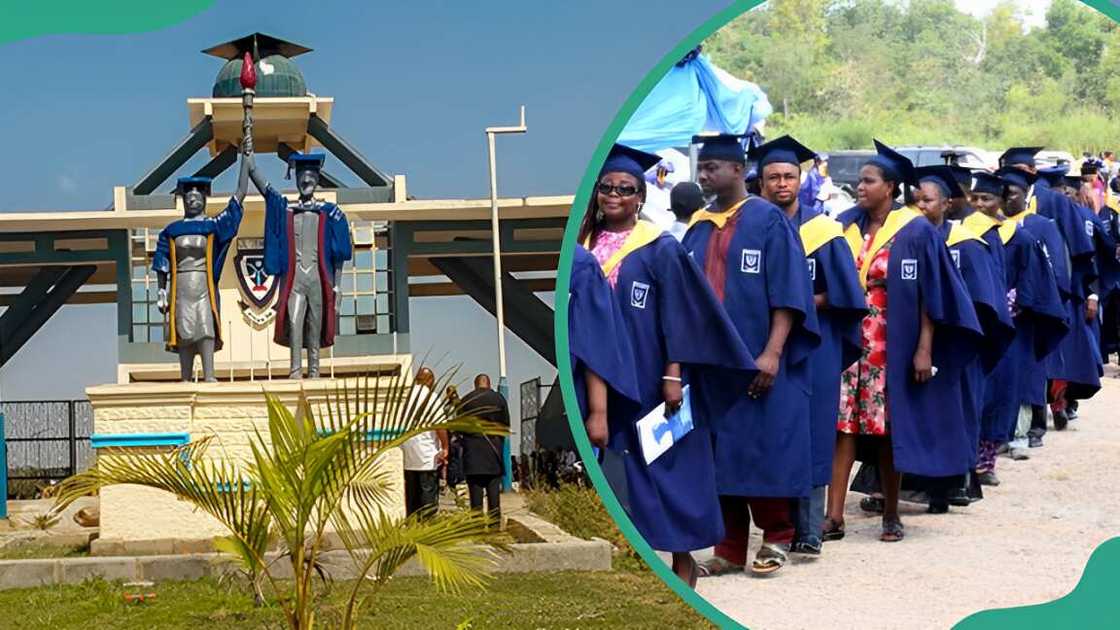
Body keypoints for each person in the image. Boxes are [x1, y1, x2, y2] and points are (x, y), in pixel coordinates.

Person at [576, 143, 756, 587]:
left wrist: (673, 374)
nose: (614, 195)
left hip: (652, 375)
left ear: (641, 196)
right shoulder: (583, 247)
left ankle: (682, 558)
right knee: (628, 473)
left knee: (668, 468)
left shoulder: (659, 247)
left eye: (626, 188)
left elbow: (679, 314)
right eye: (607, 187)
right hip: (603, 375)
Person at [826, 141, 981, 543]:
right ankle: (833, 516)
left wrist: (924, 347)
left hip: (890, 343)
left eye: (868, 181)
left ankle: (891, 513)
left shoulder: (915, 232)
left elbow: (931, 295)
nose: (859, 187)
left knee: (887, 430)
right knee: (843, 427)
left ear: (891, 187)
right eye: (859, 180)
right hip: (847, 342)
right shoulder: (843, 225)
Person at [682, 134, 820, 575]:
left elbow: (788, 293)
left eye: (712, 168)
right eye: (701, 168)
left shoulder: (767, 221)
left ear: (740, 171)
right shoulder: (698, 226)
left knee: (764, 451)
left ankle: (777, 538)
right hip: (711, 367)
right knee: (720, 458)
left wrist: (773, 353)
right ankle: (728, 549)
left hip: (757, 360)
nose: (704, 175)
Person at [749, 135, 864, 556]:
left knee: (814, 433)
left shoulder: (822, 230)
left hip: (816, 345)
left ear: (801, 180)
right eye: (774, 177)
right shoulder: (753, 227)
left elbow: (847, 293)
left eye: (789, 176)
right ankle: (774, 527)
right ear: (760, 184)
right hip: (765, 345)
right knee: (775, 432)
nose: (782, 184)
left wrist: (793, 299)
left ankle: (810, 529)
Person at [913, 166, 1014, 512]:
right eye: (916, 201)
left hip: (958, 346)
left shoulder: (967, 244)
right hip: (915, 344)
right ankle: (914, 483)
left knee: (956, 414)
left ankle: (952, 485)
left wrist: (965, 336)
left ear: (947, 203)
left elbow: (987, 301)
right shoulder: (907, 238)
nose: (921, 207)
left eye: (927, 200)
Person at [965, 171, 1068, 486]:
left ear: (1000, 202)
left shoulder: (1019, 237)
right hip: (972, 328)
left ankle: (986, 461)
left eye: (988, 198)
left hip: (1008, 329)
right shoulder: (962, 234)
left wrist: (1004, 305)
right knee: (970, 394)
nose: (981, 204)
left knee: (1000, 395)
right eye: (976, 198)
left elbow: (1033, 284)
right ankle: (963, 461)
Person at [249, 152, 353, 379]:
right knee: (295, 322)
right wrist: (250, 161)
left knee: (315, 326)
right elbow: (266, 191)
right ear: (296, 180)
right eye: (302, 179)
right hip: (295, 280)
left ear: (317, 180)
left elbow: (340, 254)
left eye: (311, 178)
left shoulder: (330, 213)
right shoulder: (286, 211)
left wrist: (337, 286)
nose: (306, 183)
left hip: (318, 278)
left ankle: (314, 371)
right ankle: (295, 370)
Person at [153, 173, 246, 382]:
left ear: (204, 199)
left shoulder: (212, 226)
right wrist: (161, 290)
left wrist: (246, 163)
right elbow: (162, 258)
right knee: (184, 332)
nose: (193, 200)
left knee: (206, 328)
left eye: (197, 197)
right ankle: (185, 378)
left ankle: (209, 375)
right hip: (181, 287)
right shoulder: (172, 231)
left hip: (204, 286)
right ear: (183, 201)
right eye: (189, 198)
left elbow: (238, 199)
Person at [459, 374, 511, 524]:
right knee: (494, 493)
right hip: (493, 451)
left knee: (475, 495)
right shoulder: (499, 399)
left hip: (472, 452)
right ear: (489, 384)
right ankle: (494, 525)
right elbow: (505, 426)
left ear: (475, 385)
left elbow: (460, 427)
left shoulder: (466, 400)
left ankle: (477, 527)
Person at [401, 368, 449, 519]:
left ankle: (412, 528)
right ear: (430, 381)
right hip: (427, 456)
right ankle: (427, 529)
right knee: (427, 496)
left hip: (407, 455)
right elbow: (439, 425)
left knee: (411, 497)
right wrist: (446, 447)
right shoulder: (431, 397)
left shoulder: (405, 397)